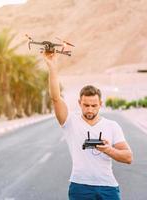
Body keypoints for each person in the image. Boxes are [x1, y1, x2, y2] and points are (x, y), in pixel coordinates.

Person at [43, 52, 133, 200]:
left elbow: (128, 157)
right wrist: (52, 68)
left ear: (100, 104)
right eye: (86, 105)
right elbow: (55, 98)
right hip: (80, 186)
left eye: (94, 105)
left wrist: (108, 149)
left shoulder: (112, 126)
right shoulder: (70, 121)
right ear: (79, 103)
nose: (90, 109)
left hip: (108, 187)